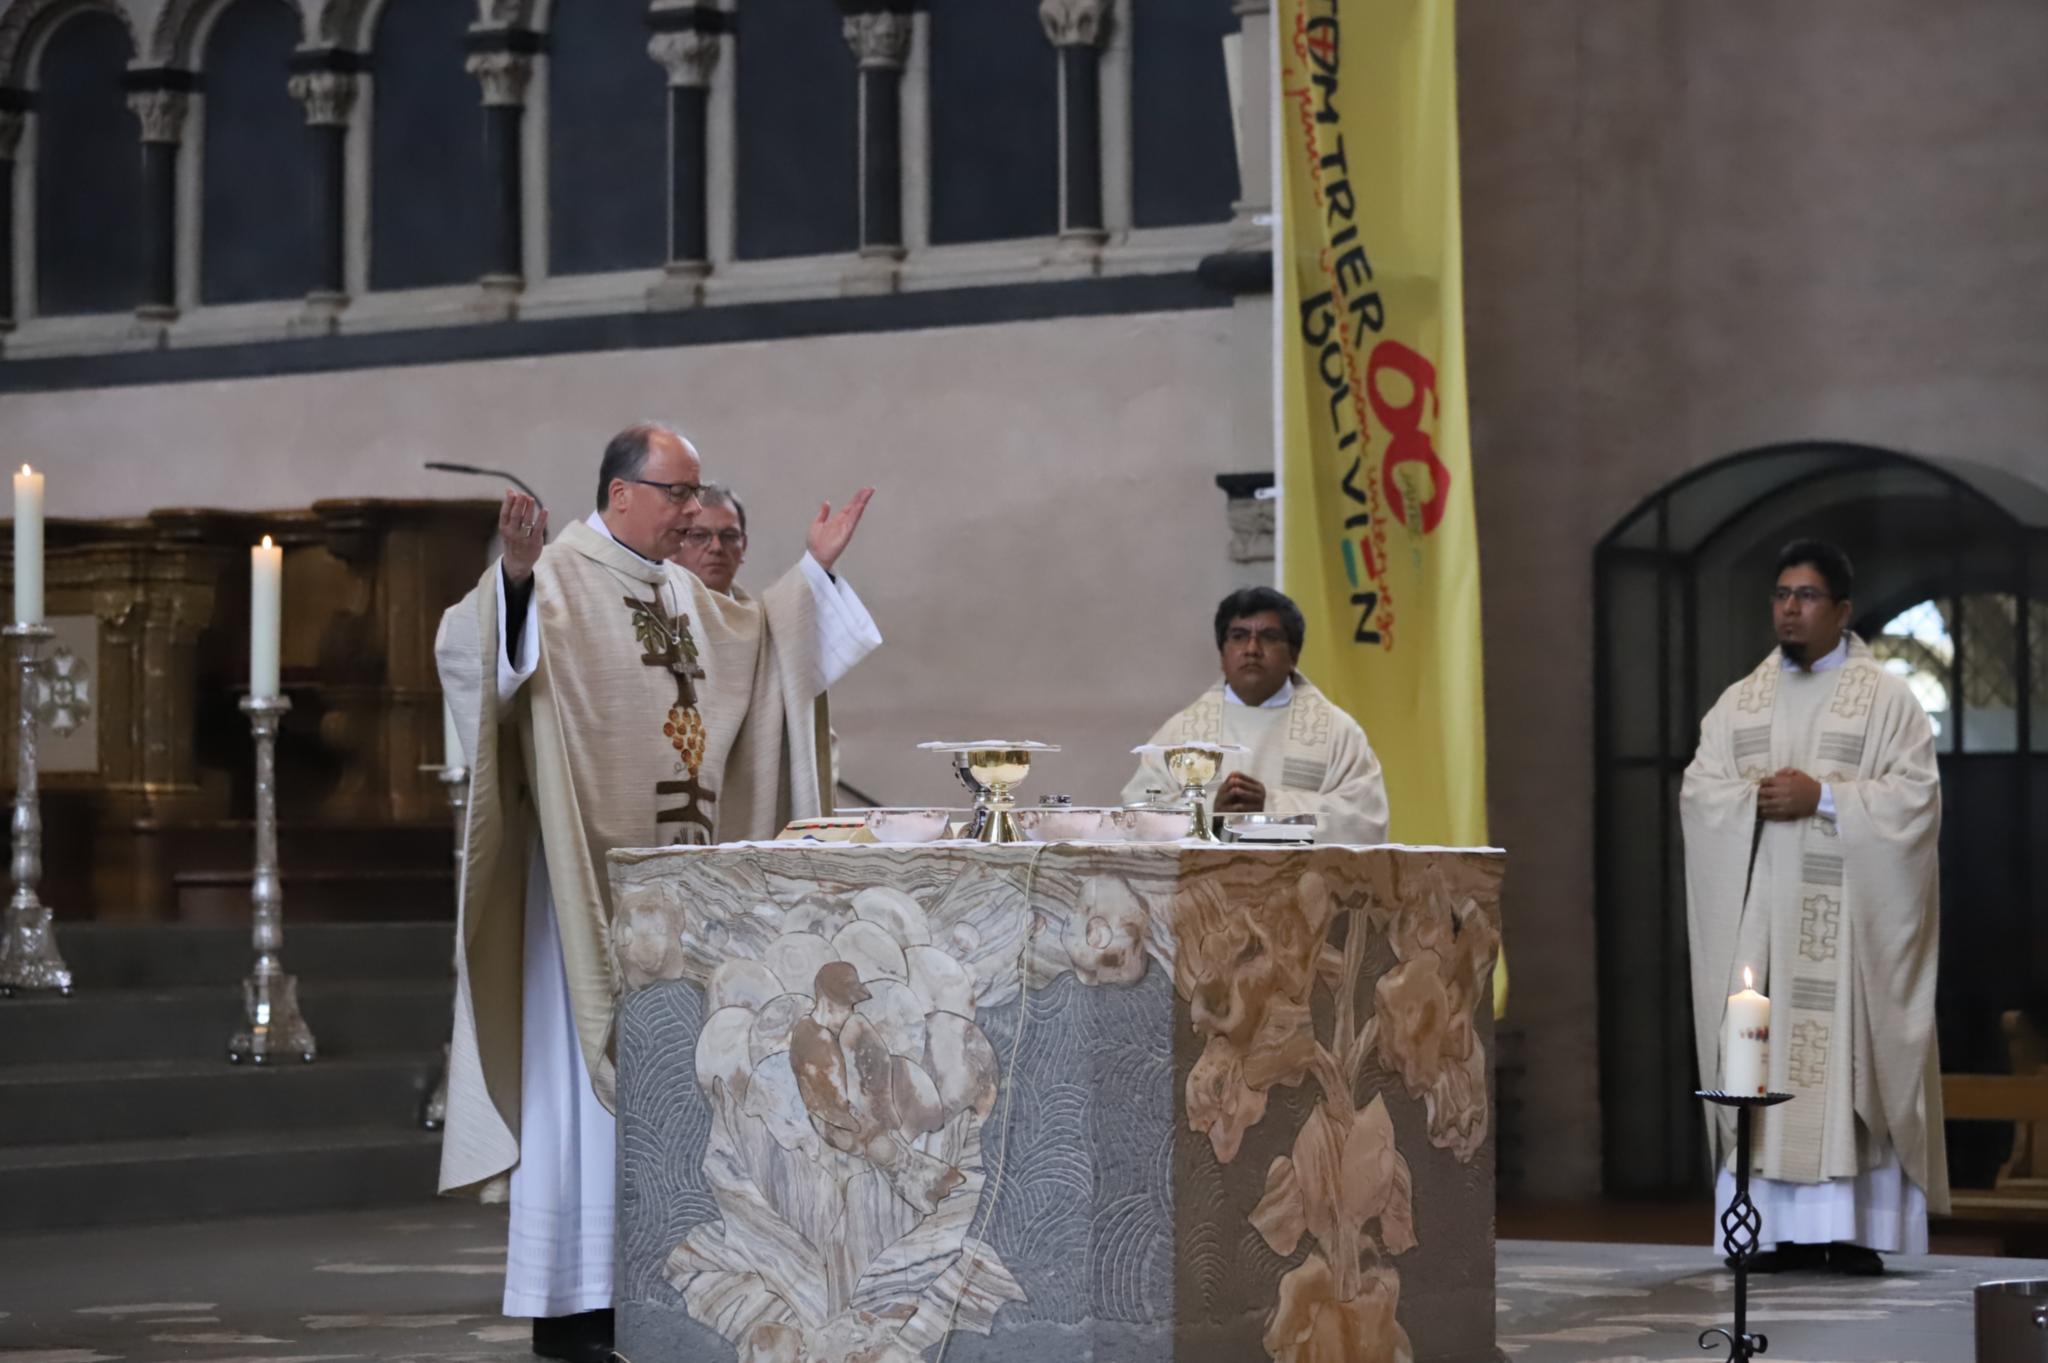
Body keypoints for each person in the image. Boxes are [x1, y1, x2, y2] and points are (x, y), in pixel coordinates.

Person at [434, 423, 881, 1361]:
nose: (691, 512)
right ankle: (574, 1307)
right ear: (622, 491)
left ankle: (661, 1291)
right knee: (581, 1099)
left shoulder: (682, 593)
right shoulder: (553, 578)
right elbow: (472, 656)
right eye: (678, 494)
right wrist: (509, 583)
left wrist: (815, 575)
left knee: (684, 1088)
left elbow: (764, 643)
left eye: (695, 496)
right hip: (582, 889)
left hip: (682, 897)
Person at [1681, 539, 1948, 1274]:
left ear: (1842, 611)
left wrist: (1823, 797)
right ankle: (1763, 1232)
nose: (1789, 609)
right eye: (1780, 595)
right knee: (1759, 1062)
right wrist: (1751, 800)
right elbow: (1700, 790)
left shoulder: (1888, 701)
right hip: (1766, 927)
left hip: (1848, 936)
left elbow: (1916, 799)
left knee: (1846, 1063)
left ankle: (1850, 1230)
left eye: (1804, 596)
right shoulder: (1742, 701)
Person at [1122, 586, 1389, 843]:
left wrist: (1270, 807)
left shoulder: (1337, 733)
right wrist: (1211, 809)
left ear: (1294, 655)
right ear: (1222, 656)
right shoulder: (1181, 734)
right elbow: (1135, 818)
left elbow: (1366, 820)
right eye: (1239, 636)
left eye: (1269, 637)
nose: (1252, 649)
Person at [672, 482, 845, 795]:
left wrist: (818, 567)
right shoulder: (662, 620)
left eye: (729, 536)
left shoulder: (766, 631)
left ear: (744, 546)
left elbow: (810, 729)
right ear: (677, 542)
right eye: (699, 536)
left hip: (753, 792)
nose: (715, 547)